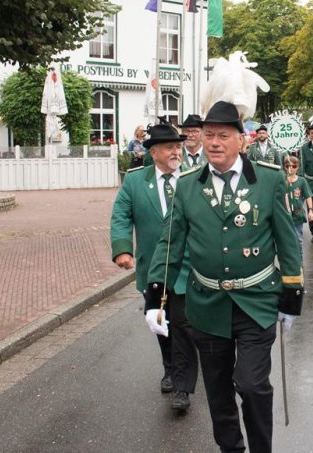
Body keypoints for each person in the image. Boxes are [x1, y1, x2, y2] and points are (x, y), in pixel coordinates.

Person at [145, 98, 304, 453]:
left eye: (223, 135)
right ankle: (231, 449)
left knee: (251, 384)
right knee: (217, 391)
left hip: (257, 302)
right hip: (207, 305)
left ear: (241, 140)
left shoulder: (268, 179)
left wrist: (292, 293)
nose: (214, 143)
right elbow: (170, 244)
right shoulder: (188, 184)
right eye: (208, 135)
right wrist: (156, 296)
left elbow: (286, 239)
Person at [110, 121, 199, 411]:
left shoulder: (195, 177)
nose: (176, 152)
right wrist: (122, 249)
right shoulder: (135, 181)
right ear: (154, 152)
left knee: (183, 323)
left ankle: (183, 387)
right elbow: (121, 215)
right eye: (169, 147)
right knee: (160, 320)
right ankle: (170, 368)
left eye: (178, 147)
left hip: (187, 267)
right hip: (152, 266)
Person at [284, 155, 313, 259]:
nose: (290, 168)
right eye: (288, 166)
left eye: (293, 166)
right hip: (285, 215)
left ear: (298, 167)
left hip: (297, 214)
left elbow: (308, 196)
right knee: (286, 241)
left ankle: (299, 262)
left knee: (298, 240)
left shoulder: (302, 181)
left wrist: (311, 211)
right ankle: (289, 262)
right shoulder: (282, 180)